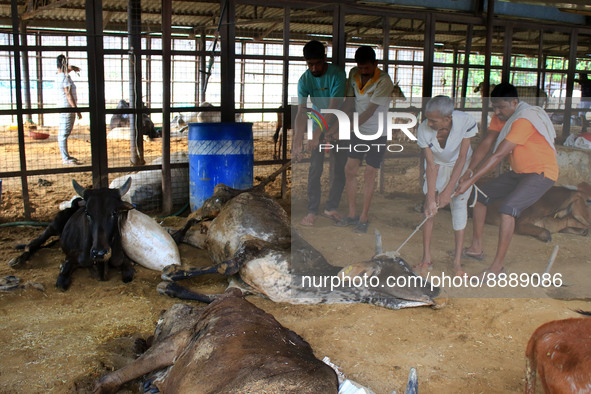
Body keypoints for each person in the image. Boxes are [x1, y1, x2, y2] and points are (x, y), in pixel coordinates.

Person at [455, 82, 558, 276]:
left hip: (541, 173)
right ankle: (476, 248)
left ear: (514, 103)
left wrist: (470, 180)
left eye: (501, 107)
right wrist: (470, 170)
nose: (497, 111)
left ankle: (497, 267)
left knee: (508, 209)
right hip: (519, 173)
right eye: (494, 107)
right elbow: (487, 142)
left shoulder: (524, 120)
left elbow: (498, 155)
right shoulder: (502, 116)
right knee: (479, 195)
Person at [334, 46, 395, 233]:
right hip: (358, 131)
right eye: (360, 68)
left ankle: (364, 216)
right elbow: (350, 102)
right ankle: (352, 214)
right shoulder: (353, 74)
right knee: (349, 169)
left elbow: (370, 111)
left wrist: (347, 127)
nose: (363, 72)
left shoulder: (384, 81)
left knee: (370, 173)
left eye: (366, 68)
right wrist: (337, 125)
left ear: (375, 64)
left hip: (378, 132)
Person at [416, 96, 477, 277]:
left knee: (459, 207)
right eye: (428, 119)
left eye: (434, 120)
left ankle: (457, 263)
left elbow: (463, 156)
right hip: (436, 165)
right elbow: (430, 163)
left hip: (460, 166)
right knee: (429, 210)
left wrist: (448, 190)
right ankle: (426, 257)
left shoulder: (466, 121)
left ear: (448, 118)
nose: (429, 123)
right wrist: (431, 198)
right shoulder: (423, 129)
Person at [292, 40, 347, 226]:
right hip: (318, 121)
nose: (314, 68)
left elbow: (333, 107)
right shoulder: (304, 80)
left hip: (339, 120)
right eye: (310, 64)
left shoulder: (337, 75)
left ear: (325, 58)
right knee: (315, 169)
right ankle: (312, 210)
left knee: (340, 168)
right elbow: (301, 111)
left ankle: (331, 207)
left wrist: (317, 135)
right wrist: (297, 141)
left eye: (317, 63)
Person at [56, 54, 82, 165]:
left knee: (64, 132)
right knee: (64, 133)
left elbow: (67, 69)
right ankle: (65, 158)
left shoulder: (59, 75)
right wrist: (76, 109)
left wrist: (72, 68)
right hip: (67, 107)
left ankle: (65, 156)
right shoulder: (64, 77)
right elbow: (68, 94)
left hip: (64, 107)